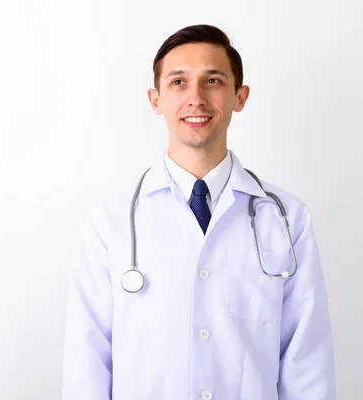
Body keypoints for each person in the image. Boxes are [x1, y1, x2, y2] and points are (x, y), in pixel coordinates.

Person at [62, 24, 335, 400]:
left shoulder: (287, 218)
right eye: (178, 82)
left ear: (240, 97)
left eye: (213, 81)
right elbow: (87, 362)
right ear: (155, 99)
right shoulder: (109, 221)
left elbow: (306, 362)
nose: (196, 98)